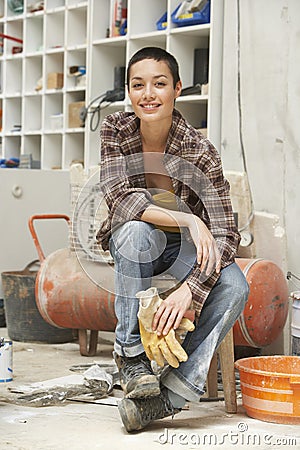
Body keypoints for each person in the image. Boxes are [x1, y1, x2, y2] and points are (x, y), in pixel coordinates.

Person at [96, 46, 249, 432]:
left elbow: (225, 230)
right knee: (135, 230)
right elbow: (119, 197)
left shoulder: (201, 151)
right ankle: (132, 359)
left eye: (159, 84)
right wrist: (186, 218)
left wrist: (190, 291)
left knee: (234, 286)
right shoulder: (116, 129)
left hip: (186, 252)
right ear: (129, 92)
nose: (148, 93)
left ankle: (166, 399)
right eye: (138, 85)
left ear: (177, 88)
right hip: (137, 243)